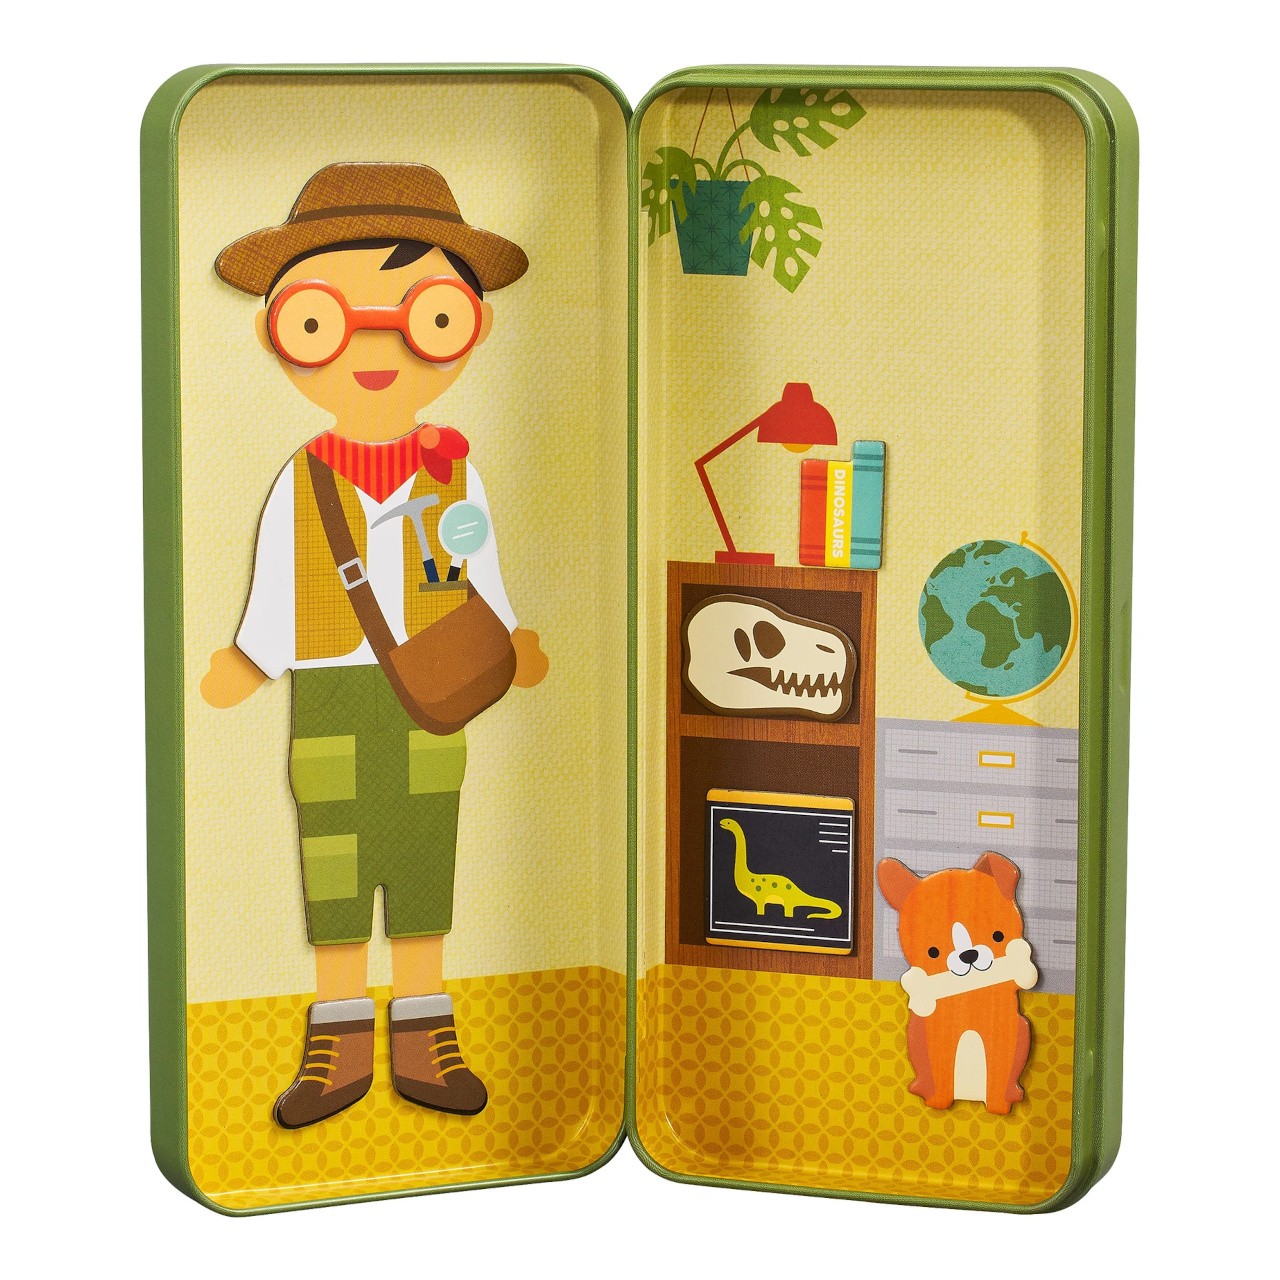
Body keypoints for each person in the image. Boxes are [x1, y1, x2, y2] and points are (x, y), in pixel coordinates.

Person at [201, 162, 547, 1129]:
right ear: (283, 335)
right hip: (332, 690)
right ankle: (340, 1040)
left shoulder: (454, 471)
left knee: (426, 851)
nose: (377, 347)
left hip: (441, 688)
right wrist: (253, 659)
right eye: (324, 322)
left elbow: (479, 564)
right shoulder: (304, 478)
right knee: (338, 860)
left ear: (470, 328)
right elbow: (279, 580)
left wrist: (511, 635)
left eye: (428, 318)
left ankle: (427, 1035)